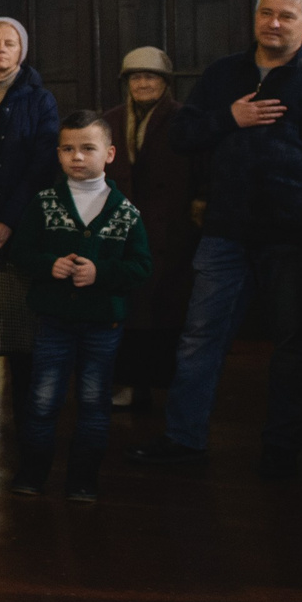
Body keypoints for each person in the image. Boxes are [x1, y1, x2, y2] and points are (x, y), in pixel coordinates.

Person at [132, 0, 302, 480]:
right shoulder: (223, 74)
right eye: (266, 13)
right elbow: (182, 136)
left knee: (293, 345)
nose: (273, 23)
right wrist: (230, 117)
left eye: (286, 16)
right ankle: (183, 437)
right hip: (226, 230)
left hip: (293, 236)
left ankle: (281, 450)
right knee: (199, 337)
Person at [3, 112, 151, 502]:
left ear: (110, 153)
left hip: (102, 325)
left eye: (88, 148)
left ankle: (83, 479)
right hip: (53, 320)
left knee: (93, 401)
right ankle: (33, 472)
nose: (77, 157)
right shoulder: (45, 203)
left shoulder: (124, 211)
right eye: (68, 149)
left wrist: (101, 273)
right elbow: (22, 252)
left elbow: (141, 267)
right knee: (42, 398)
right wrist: (48, 265)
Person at [0, 15, 59, 421]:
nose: (1, 49)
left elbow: (41, 166)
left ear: (22, 51)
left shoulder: (38, 100)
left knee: (18, 320)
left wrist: (8, 220)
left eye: (10, 43)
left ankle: (23, 413)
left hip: (16, 225)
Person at [99, 47, 193, 418]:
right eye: (135, 77)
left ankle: (163, 388)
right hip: (122, 231)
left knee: (167, 312)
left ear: (165, 82)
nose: (142, 82)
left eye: (150, 76)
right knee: (127, 312)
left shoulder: (183, 120)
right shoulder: (111, 120)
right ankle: (127, 385)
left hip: (170, 231)